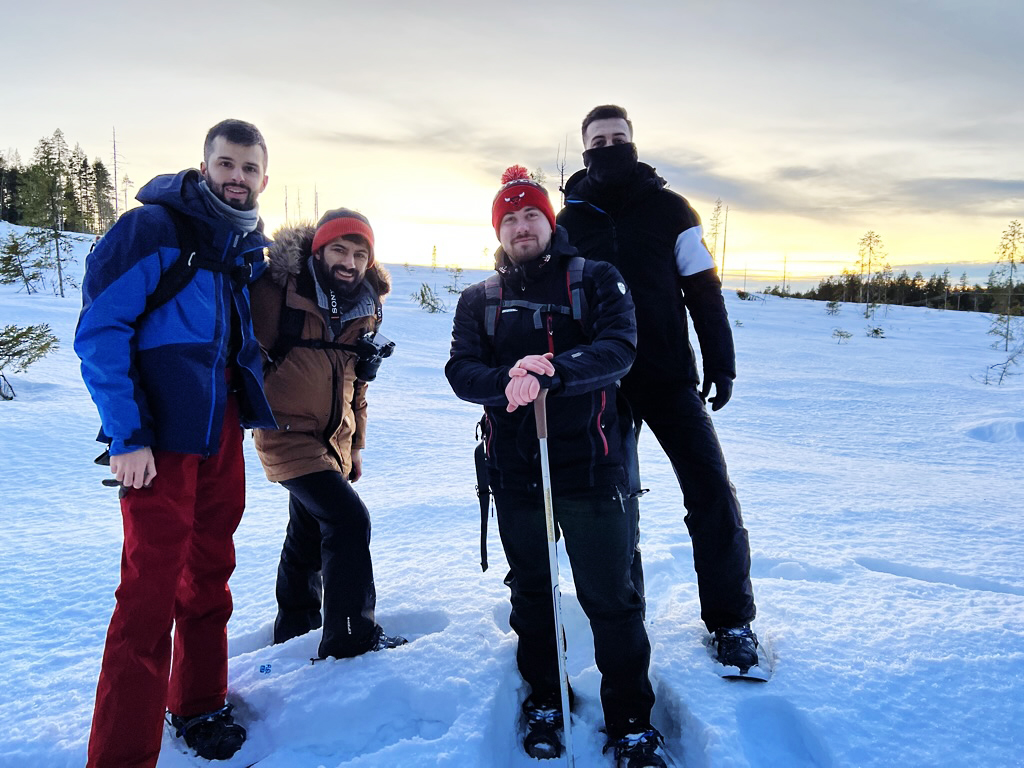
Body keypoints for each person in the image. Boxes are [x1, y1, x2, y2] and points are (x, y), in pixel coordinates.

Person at [446, 166, 668, 767]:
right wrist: (505, 382)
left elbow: (619, 348)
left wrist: (554, 370)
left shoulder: (596, 279)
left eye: (531, 215)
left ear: (550, 221)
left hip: (592, 469)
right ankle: (545, 696)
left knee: (611, 598)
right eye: (509, 218)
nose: (522, 227)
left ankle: (631, 718)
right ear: (499, 229)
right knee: (533, 593)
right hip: (516, 474)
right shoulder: (479, 299)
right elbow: (461, 370)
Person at [74, 119, 277, 766]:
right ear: (205, 165)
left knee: (210, 576)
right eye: (226, 164)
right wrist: (127, 435)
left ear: (263, 178)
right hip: (158, 440)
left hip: (220, 434)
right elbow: (100, 331)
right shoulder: (152, 230)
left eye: (248, 168)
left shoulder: (245, 248)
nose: (236, 178)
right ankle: (121, 754)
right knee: (147, 595)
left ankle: (197, 702)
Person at [556, 105, 760, 671]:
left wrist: (721, 361)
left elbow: (704, 291)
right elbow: (555, 304)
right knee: (615, 502)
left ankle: (731, 620)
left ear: (633, 143)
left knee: (711, 490)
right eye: (599, 140)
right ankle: (626, 615)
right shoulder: (567, 222)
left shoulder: (672, 210)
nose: (609, 146)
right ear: (585, 150)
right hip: (601, 383)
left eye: (618, 137)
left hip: (669, 377)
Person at [249, 208, 407, 659]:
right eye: (339, 249)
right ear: (318, 251)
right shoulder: (278, 292)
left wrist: (355, 447)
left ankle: (295, 626)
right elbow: (241, 359)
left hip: (332, 441)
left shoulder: (366, 305)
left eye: (360, 253)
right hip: (283, 433)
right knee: (347, 520)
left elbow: (357, 383)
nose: (349, 261)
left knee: (308, 528)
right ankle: (351, 637)